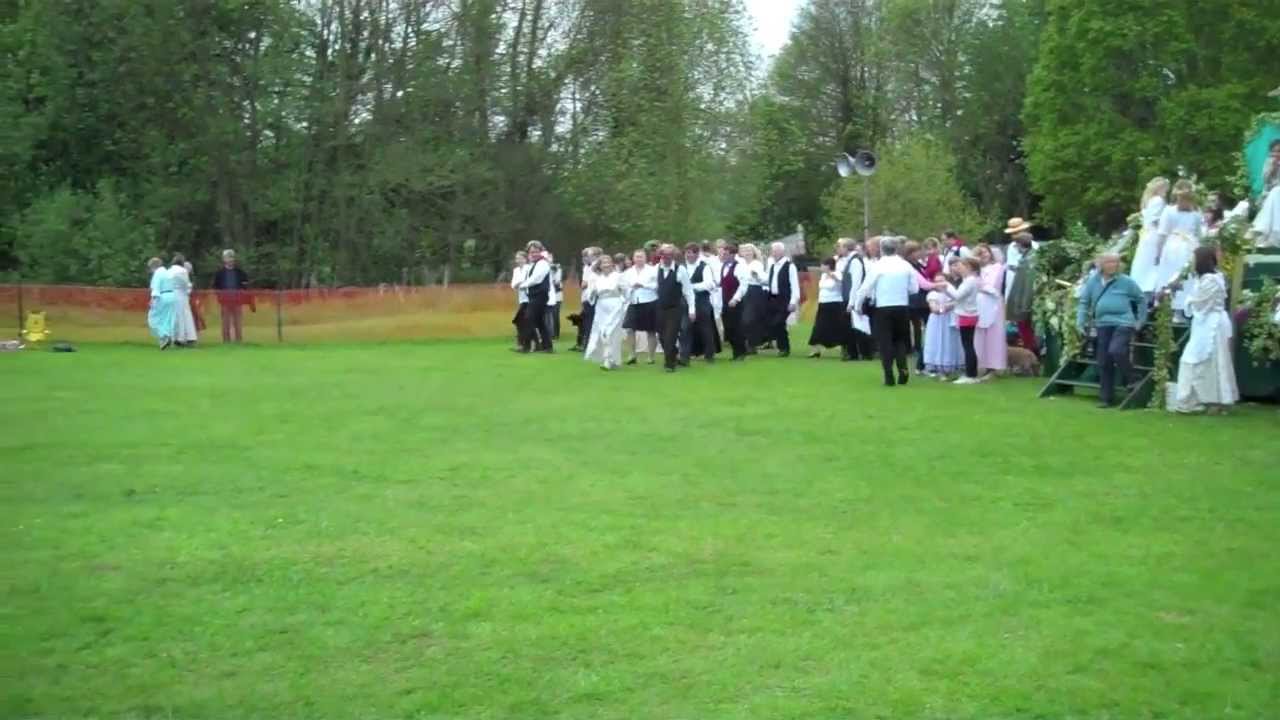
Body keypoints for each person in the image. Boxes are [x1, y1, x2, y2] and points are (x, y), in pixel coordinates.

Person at [1076, 253, 1148, 409]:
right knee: (1103, 361)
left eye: (1116, 262)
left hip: (1124, 322)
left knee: (1116, 350)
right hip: (1102, 323)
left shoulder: (1126, 282)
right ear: (1101, 264)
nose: (1114, 265)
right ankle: (1106, 398)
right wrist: (1080, 322)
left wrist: (1140, 321)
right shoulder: (1093, 282)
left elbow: (1141, 299)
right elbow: (1083, 302)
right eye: (1110, 262)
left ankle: (1133, 378)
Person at [1172, 247, 1239, 414]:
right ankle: (1200, 400)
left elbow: (1201, 303)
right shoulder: (1202, 279)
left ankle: (1214, 401)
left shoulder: (1211, 280)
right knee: (1201, 359)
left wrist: (1185, 299)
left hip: (1212, 324)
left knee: (1210, 359)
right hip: (1204, 322)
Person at [854, 237, 918, 386]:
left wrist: (858, 305)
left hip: (883, 308)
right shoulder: (905, 265)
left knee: (885, 342)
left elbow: (865, 288)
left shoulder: (878, 266)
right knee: (900, 340)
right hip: (902, 307)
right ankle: (903, 370)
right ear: (896, 249)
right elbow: (914, 288)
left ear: (882, 249)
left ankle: (889, 375)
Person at [1152, 180, 1204, 293]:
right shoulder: (1194, 214)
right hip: (1182, 246)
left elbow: (1162, 234)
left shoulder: (1194, 214)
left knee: (1183, 272)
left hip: (1183, 246)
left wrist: (1158, 253)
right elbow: (1200, 236)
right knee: (1174, 271)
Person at [653, 244, 696, 372]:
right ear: (661, 256)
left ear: (673, 256)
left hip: (675, 308)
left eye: (669, 256)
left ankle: (669, 364)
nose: (666, 258)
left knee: (670, 336)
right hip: (660, 307)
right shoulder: (656, 269)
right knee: (661, 335)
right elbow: (654, 287)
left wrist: (692, 309)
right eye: (664, 255)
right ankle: (673, 353)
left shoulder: (680, 270)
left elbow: (688, 291)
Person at [584, 254, 630, 371]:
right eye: (603, 263)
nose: (606, 265)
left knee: (610, 333)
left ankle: (608, 360)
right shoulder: (597, 279)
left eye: (608, 262)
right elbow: (590, 295)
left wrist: (624, 303)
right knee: (602, 332)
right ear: (600, 265)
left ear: (612, 264)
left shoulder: (618, 276)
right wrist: (593, 292)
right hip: (601, 307)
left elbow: (627, 291)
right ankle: (612, 359)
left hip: (615, 306)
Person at [944, 257, 983, 384]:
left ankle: (970, 375)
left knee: (968, 345)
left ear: (969, 267)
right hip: (968, 314)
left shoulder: (969, 281)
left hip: (967, 315)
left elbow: (957, 296)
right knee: (968, 345)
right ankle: (971, 373)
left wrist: (947, 286)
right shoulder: (969, 280)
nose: (959, 269)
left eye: (961, 266)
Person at [678, 243, 719, 364]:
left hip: (701, 301)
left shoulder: (704, 267)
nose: (688, 255)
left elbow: (709, 284)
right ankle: (684, 356)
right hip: (685, 302)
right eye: (687, 253)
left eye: (691, 253)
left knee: (705, 329)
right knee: (685, 329)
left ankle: (709, 354)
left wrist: (692, 287)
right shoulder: (682, 267)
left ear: (696, 254)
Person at [1130, 177, 1170, 293]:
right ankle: (1150, 285)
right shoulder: (1158, 200)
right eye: (1165, 189)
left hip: (1146, 234)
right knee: (1153, 260)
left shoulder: (1149, 200)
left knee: (1144, 260)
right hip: (1154, 233)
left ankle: (1141, 284)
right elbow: (1155, 220)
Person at [973, 244, 1008, 377]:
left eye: (986, 252)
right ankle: (980, 364)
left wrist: (978, 284)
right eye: (980, 253)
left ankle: (994, 366)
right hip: (979, 304)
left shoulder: (997, 267)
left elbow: (992, 287)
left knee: (994, 334)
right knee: (979, 335)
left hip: (993, 304)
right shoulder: (977, 270)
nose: (984, 255)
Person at [1004, 230, 1039, 355]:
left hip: (1026, 301)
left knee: (1025, 328)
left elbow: (1027, 284)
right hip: (1025, 299)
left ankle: (1031, 354)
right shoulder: (1029, 257)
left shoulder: (1028, 260)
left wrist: (1023, 304)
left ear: (1020, 245)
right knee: (1025, 328)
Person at [622, 249, 659, 365]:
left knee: (651, 330)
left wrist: (644, 285)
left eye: (641, 257)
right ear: (633, 258)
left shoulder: (652, 270)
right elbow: (624, 286)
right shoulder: (628, 272)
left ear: (645, 258)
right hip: (633, 302)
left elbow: (657, 285)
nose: (639, 259)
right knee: (629, 329)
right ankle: (632, 355)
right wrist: (631, 288)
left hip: (649, 301)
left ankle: (651, 356)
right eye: (637, 257)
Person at [923, 274, 964, 378]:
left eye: (941, 281)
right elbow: (934, 309)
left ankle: (950, 366)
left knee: (948, 342)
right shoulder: (932, 294)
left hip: (949, 321)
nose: (939, 284)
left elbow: (958, 301)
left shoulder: (952, 293)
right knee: (935, 342)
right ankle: (934, 366)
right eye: (936, 281)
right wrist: (946, 307)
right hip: (936, 322)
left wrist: (948, 306)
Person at [730, 243, 768, 353]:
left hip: (754, 291)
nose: (747, 253)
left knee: (750, 319)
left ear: (753, 252)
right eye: (745, 251)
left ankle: (752, 344)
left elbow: (764, 279)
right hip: (743, 291)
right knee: (742, 319)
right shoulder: (740, 265)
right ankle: (748, 343)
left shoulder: (757, 264)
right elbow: (740, 281)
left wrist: (757, 276)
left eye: (749, 251)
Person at [518, 241, 554, 352]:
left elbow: (536, 279)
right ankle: (547, 347)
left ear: (540, 252)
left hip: (540, 296)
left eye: (536, 251)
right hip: (534, 296)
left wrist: (523, 285)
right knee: (539, 322)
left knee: (528, 319)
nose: (533, 254)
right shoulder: (534, 264)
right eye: (531, 252)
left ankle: (526, 346)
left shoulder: (543, 264)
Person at [765, 241, 800, 357]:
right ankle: (782, 347)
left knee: (779, 323)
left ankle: (784, 348)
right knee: (775, 324)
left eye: (776, 251)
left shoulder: (790, 266)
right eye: (772, 251)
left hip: (784, 299)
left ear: (782, 251)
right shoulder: (773, 266)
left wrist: (793, 302)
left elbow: (795, 285)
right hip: (773, 299)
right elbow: (770, 282)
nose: (773, 253)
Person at [840, 238, 873, 360]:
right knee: (852, 327)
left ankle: (863, 352)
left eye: (842, 247)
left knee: (858, 327)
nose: (840, 249)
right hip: (850, 298)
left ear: (847, 248)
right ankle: (854, 352)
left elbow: (856, 283)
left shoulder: (855, 262)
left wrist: (851, 302)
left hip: (853, 299)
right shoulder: (850, 260)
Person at [807, 258, 845, 358]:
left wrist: (833, 277)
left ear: (828, 265)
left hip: (834, 304)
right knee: (819, 326)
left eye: (823, 265)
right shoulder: (823, 276)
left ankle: (842, 348)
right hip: (823, 303)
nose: (821, 267)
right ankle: (816, 350)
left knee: (836, 327)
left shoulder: (837, 274)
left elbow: (839, 285)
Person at [212, 249, 250, 343]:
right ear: (224, 259)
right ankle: (226, 341)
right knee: (225, 322)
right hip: (225, 301)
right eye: (228, 257)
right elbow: (215, 286)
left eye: (232, 257)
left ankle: (238, 341)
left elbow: (245, 285)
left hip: (237, 300)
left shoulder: (240, 272)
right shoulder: (219, 273)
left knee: (238, 322)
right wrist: (219, 296)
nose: (230, 259)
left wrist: (243, 293)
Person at [719, 243, 748, 361]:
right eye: (723, 253)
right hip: (725, 301)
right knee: (728, 328)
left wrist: (735, 299)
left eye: (726, 253)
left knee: (736, 327)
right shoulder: (723, 266)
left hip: (735, 302)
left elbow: (743, 285)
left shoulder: (739, 267)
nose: (723, 256)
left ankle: (741, 352)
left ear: (732, 254)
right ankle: (736, 352)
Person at [1002, 217, 1039, 301]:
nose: (1015, 235)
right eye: (1013, 233)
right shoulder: (1009, 247)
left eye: (1017, 232)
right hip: (1011, 279)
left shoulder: (1035, 246)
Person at [573, 247, 600, 352]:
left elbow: (585, 283)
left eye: (589, 255)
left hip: (591, 298)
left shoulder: (595, 267)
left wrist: (585, 283)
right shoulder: (587, 267)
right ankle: (582, 343)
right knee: (583, 321)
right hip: (586, 297)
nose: (587, 258)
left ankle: (587, 344)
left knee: (588, 322)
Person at [146, 257, 177, 350]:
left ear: (153, 266)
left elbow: (156, 287)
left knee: (153, 318)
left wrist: (153, 299)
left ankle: (164, 336)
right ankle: (166, 338)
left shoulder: (158, 273)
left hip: (162, 296)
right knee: (167, 319)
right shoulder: (168, 272)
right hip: (172, 296)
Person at [169, 253, 199, 347]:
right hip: (181, 295)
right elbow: (186, 284)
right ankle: (187, 338)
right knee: (185, 316)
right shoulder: (182, 271)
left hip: (171, 295)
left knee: (175, 317)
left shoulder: (168, 271)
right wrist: (189, 288)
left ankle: (175, 337)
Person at [510, 251, 529, 350]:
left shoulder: (529, 268)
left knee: (519, 320)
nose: (518, 260)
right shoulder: (516, 270)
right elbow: (513, 285)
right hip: (522, 299)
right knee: (522, 321)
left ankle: (522, 343)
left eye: (520, 258)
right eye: (517, 258)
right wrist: (519, 283)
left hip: (529, 299)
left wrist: (520, 283)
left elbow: (527, 282)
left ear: (525, 259)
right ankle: (524, 343)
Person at [545, 251, 564, 340]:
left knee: (555, 314)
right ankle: (549, 333)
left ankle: (556, 334)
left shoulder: (557, 267)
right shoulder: (543, 267)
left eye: (550, 256)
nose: (548, 258)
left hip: (557, 294)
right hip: (548, 294)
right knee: (548, 314)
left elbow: (557, 280)